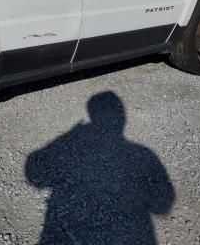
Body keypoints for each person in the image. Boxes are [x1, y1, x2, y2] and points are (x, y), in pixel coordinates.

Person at [26, 91, 175, 244]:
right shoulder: (144, 153)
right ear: (123, 117)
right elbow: (163, 205)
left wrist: (64, 139)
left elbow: (34, 176)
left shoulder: (142, 153)